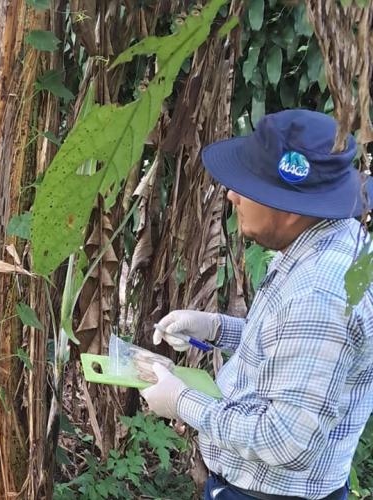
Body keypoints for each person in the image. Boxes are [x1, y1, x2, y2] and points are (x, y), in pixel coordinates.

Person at [140, 109, 373, 500]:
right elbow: (289, 345)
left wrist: (181, 401)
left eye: (248, 187)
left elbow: (284, 441)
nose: (232, 195)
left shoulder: (320, 294)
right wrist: (215, 328)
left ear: (290, 207)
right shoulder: (328, 238)